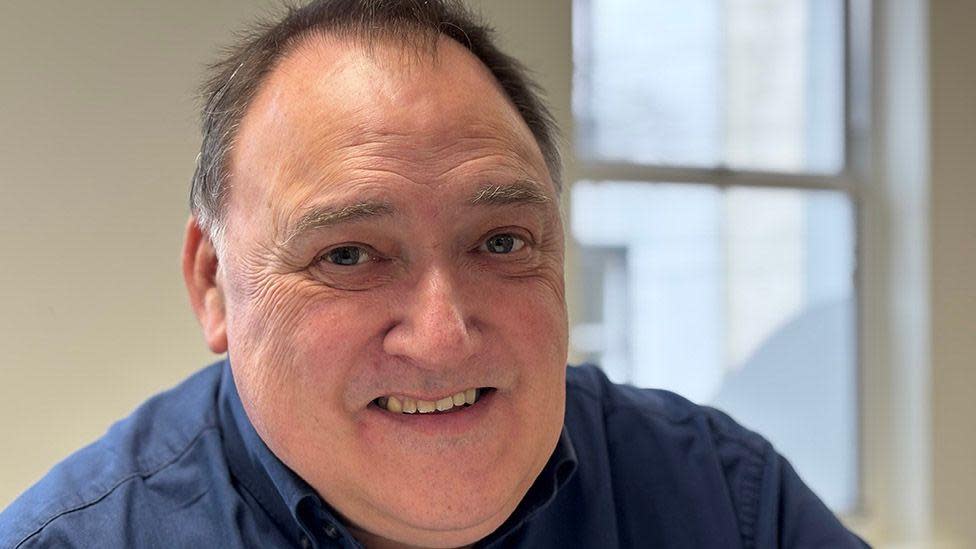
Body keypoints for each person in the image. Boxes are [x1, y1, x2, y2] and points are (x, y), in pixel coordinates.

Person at [0, 1, 868, 547]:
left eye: (500, 242)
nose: (444, 333)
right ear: (214, 285)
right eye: (348, 254)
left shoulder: (720, 500)